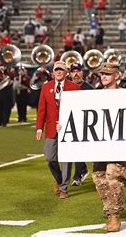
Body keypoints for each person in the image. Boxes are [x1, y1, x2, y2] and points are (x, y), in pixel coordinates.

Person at [91, 62, 126, 232]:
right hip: (99, 144)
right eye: (102, 74)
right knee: (99, 178)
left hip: (119, 145)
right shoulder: (95, 95)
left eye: (108, 73)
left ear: (117, 76)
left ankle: (115, 217)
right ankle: (109, 213)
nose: (104, 76)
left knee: (113, 178)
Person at [36, 61, 80, 199]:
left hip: (67, 129)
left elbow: (77, 110)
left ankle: (64, 188)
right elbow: (41, 109)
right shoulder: (46, 87)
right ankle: (59, 179)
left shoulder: (74, 87)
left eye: (61, 70)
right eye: (56, 70)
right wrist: (39, 128)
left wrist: (68, 124)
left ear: (66, 71)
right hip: (50, 128)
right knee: (50, 158)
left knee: (66, 159)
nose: (59, 72)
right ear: (53, 72)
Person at [68, 63, 92, 186]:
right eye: (73, 71)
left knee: (78, 149)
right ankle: (81, 172)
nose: (76, 74)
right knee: (73, 149)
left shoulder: (88, 88)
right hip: (71, 122)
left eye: (78, 71)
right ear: (70, 73)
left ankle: (79, 174)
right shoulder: (66, 87)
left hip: (86, 122)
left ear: (82, 72)